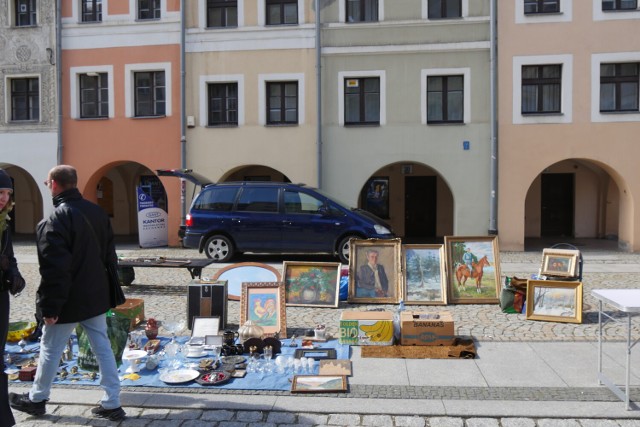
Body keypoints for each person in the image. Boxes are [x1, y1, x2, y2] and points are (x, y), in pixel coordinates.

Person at [9, 165, 125, 421]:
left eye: (48, 182)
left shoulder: (55, 220)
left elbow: (54, 270)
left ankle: (37, 399)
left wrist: (49, 308)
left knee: (51, 347)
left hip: (69, 300)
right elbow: (110, 257)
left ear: (54, 184)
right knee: (102, 346)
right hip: (95, 295)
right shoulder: (97, 212)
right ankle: (112, 402)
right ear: (74, 182)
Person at [0, 169, 26, 427]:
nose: (3, 197)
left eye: (6, 193)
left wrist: (13, 272)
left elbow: (10, 256)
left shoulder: (4, 222)